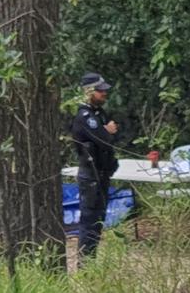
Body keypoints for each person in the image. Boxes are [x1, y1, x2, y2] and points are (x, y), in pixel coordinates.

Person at [71, 72, 119, 260]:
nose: (104, 94)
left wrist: (107, 132)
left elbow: (112, 134)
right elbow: (104, 139)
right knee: (89, 222)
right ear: (89, 92)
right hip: (90, 177)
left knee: (98, 221)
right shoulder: (84, 116)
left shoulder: (99, 113)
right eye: (100, 91)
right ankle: (85, 264)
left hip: (102, 174)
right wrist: (106, 132)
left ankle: (91, 260)